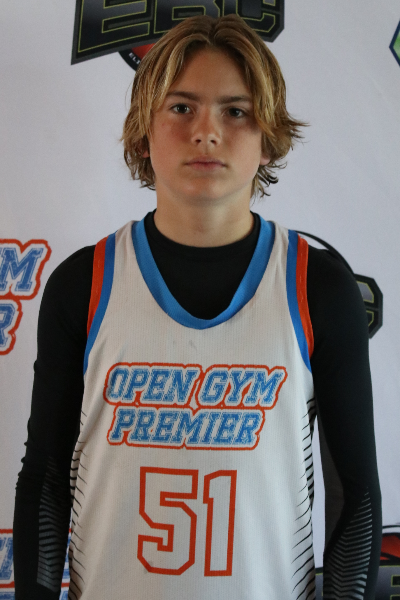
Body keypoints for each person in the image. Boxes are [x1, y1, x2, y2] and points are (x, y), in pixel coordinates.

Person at [14, 14, 382, 600]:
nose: (206, 132)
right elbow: (46, 478)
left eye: (235, 111)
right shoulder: (84, 284)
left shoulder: (319, 288)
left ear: (268, 138)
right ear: (143, 132)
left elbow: (354, 496)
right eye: (181, 107)